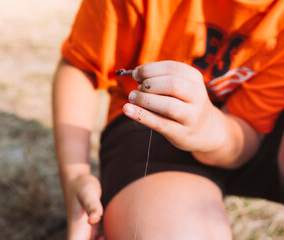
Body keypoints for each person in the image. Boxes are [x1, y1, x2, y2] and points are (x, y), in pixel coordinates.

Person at [52, 0, 284, 239]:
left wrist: (210, 130)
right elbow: (82, 65)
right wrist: (75, 175)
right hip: (149, 121)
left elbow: (246, 139)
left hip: (239, 135)